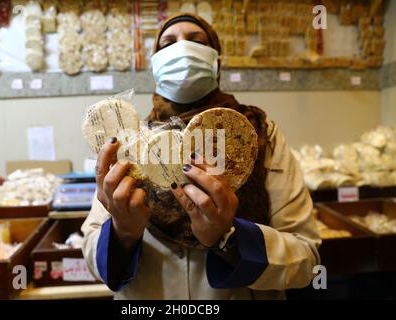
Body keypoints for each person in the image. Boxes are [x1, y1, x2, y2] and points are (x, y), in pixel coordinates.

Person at [81, 13, 321, 299]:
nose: (181, 50)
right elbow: (93, 255)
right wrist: (123, 232)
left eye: (196, 41)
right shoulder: (129, 140)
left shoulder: (257, 134)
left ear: (215, 58)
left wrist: (229, 239)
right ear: (155, 64)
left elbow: (307, 260)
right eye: (168, 44)